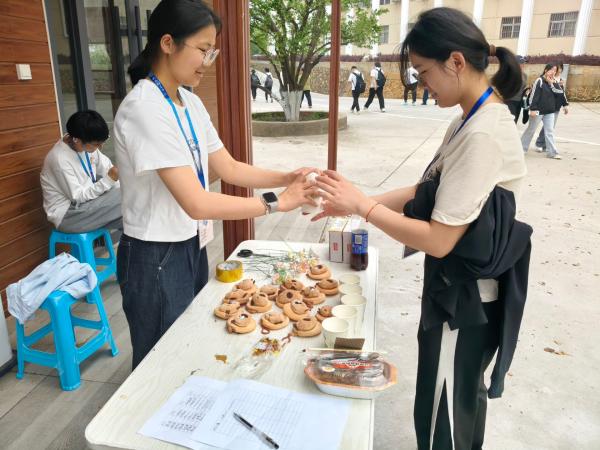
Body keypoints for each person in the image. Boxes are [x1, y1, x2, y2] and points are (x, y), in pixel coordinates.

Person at [313, 8, 530, 449]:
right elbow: (427, 189)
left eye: (422, 71)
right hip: (453, 291)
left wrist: (363, 208)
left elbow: (439, 238)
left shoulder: (483, 133)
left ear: (456, 62)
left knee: (445, 414)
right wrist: (360, 201)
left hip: (466, 302)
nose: (420, 82)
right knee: (441, 400)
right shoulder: (468, 118)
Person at [115, 0, 317, 369]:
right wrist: (277, 202)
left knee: (186, 342)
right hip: (153, 254)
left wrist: (285, 177)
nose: (208, 61)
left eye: (213, 52)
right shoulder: (144, 107)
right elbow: (197, 202)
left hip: (188, 243)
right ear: (167, 43)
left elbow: (229, 167)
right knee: (160, 361)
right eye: (203, 49)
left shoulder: (188, 103)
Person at [40, 110, 122, 234]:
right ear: (76, 140)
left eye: (102, 142)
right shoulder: (59, 159)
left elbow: (108, 170)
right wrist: (109, 181)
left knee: (135, 216)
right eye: (97, 144)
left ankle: (133, 246)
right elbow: (78, 197)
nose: (100, 147)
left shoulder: (87, 144)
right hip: (68, 215)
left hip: (88, 204)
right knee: (128, 196)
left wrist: (117, 184)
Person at [520, 63, 566, 159]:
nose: (553, 72)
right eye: (551, 70)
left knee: (549, 131)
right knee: (531, 130)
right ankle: (521, 149)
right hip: (538, 111)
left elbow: (560, 94)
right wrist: (532, 109)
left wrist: (551, 84)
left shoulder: (554, 81)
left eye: (555, 70)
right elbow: (533, 95)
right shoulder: (539, 80)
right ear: (546, 70)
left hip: (550, 111)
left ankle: (552, 153)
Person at [535, 62, 568, 151]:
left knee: (550, 128)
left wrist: (565, 105)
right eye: (556, 68)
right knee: (535, 128)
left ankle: (545, 146)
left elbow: (562, 93)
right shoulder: (544, 78)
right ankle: (540, 143)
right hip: (545, 106)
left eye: (560, 68)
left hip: (556, 107)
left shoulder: (560, 80)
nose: (559, 70)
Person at [505, 55, 528, 123]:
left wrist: (527, 90)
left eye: (524, 63)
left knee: (515, 121)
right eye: (521, 63)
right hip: (510, 101)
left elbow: (522, 87)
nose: (523, 65)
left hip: (519, 101)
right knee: (511, 121)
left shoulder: (524, 75)